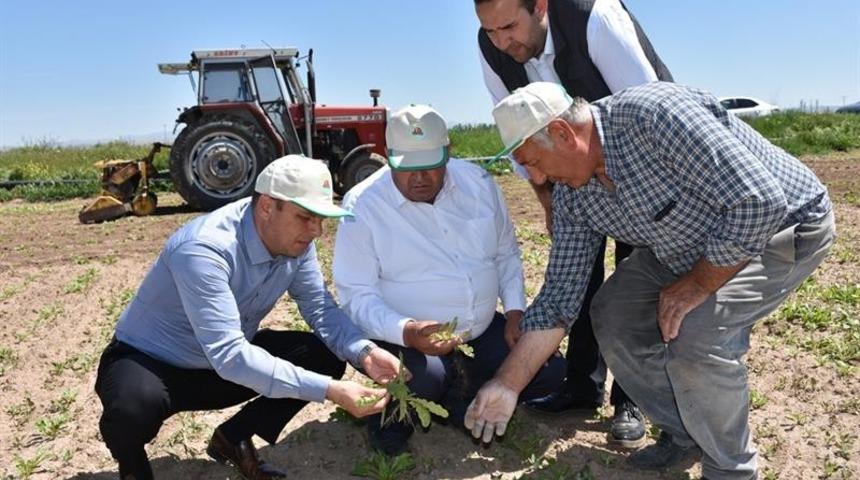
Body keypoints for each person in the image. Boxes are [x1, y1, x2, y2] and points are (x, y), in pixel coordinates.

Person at [464, 81, 835, 480]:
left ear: (562, 133)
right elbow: (559, 298)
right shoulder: (573, 195)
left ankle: (732, 470)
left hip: (781, 227)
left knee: (696, 334)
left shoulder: (654, 117)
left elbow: (758, 202)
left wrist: (696, 285)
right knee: (612, 313)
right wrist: (506, 384)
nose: (536, 178)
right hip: (686, 243)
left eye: (534, 162)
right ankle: (685, 432)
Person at [94, 155, 403, 480]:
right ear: (267, 207)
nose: (317, 231)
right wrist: (331, 391)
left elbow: (320, 309)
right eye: (306, 217)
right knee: (130, 410)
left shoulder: (296, 243)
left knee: (321, 355)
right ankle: (133, 470)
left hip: (220, 366)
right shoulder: (205, 249)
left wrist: (365, 352)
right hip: (154, 364)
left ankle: (233, 437)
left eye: (321, 219)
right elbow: (230, 356)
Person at [474, 0, 674, 445]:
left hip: (640, 168)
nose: (502, 42)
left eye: (509, 26)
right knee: (574, 279)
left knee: (635, 279)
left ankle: (631, 396)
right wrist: (548, 201)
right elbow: (518, 137)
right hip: (563, 166)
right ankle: (581, 384)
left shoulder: (595, 20)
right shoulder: (492, 48)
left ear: (540, 6)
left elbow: (649, 111)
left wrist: (636, 206)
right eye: (490, 32)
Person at [333, 104, 565, 456]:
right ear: (388, 158)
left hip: (481, 327)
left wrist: (516, 311)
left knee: (547, 370)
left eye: (430, 166)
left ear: (448, 154)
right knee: (423, 379)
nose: (419, 178)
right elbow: (356, 296)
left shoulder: (480, 183)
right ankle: (389, 424)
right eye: (407, 168)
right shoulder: (363, 205)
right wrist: (408, 330)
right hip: (404, 335)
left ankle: (460, 388)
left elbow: (505, 253)